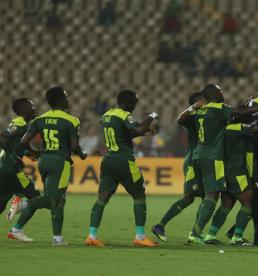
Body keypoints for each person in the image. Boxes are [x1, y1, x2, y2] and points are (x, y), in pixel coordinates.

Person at [178, 84, 258, 244]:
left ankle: (211, 234)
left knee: (227, 203)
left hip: (220, 165)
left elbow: (182, 119)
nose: (222, 93)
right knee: (248, 202)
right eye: (220, 91)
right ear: (213, 94)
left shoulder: (216, 122)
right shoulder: (234, 124)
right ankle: (236, 236)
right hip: (236, 170)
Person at [9, 87, 87, 245]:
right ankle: (23, 204)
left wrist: (35, 153)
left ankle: (56, 237)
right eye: (65, 96)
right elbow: (73, 146)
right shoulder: (72, 120)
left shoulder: (39, 120)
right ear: (60, 100)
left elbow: (24, 141)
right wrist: (81, 154)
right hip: (60, 162)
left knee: (59, 200)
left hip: (44, 161)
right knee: (54, 199)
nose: (68, 99)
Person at [85, 89, 159, 247]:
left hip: (108, 160)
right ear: (129, 102)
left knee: (102, 198)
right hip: (124, 160)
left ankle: (92, 236)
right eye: (135, 103)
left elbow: (124, 133)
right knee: (139, 195)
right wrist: (151, 117)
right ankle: (140, 237)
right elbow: (136, 128)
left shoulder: (107, 115)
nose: (135, 106)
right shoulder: (125, 115)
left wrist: (143, 133)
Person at [151, 92, 205, 242]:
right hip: (193, 161)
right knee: (190, 197)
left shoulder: (207, 117)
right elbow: (179, 120)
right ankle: (161, 226)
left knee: (204, 198)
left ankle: (196, 233)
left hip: (201, 161)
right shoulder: (193, 118)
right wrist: (193, 107)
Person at [0, 98, 41, 220]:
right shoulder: (19, 122)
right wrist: (14, 156)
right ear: (23, 110)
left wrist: (33, 153)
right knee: (35, 197)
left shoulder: (26, 125)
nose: (34, 107)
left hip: (8, 169)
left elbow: (22, 145)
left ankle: (17, 206)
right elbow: (2, 137)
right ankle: (17, 208)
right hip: (10, 170)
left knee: (0, 205)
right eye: (31, 105)